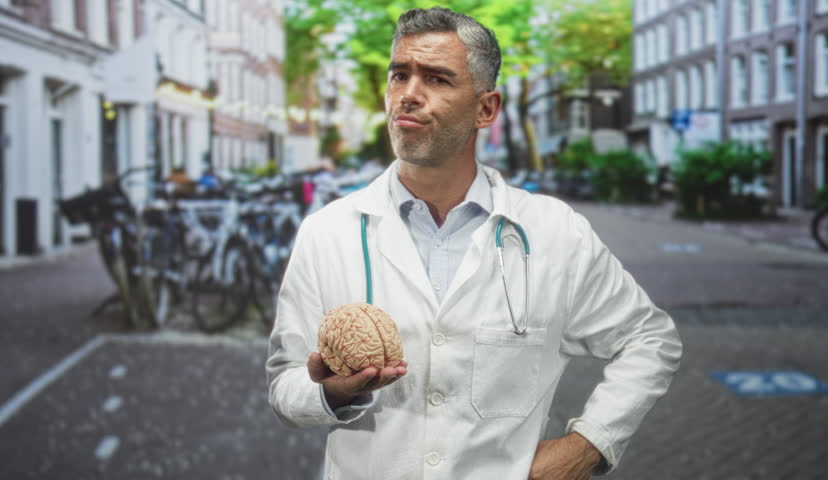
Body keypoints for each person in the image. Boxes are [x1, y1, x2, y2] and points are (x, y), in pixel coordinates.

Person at [266, 7, 682, 480]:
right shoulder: (328, 232)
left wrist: (589, 444)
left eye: (437, 79)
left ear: (487, 109)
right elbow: (285, 385)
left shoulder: (554, 234)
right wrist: (332, 393)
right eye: (398, 75)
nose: (408, 95)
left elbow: (650, 339)